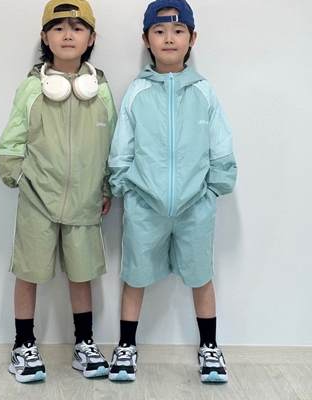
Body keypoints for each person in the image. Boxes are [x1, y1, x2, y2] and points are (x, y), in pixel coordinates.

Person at [108, 0, 237, 383]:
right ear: (146, 39)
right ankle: (126, 346)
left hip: (195, 207)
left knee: (201, 275)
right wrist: (125, 187)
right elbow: (122, 147)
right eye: (160, 31)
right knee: (135, 275)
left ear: (191, 38)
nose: (169, 38)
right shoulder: (136, 92)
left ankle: (209, 347)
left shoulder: (203, 92)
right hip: (144, 206)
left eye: (178, 31)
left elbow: (220, 144)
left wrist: (213, 188)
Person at [0, 0, 117, 383]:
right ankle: (23, 345)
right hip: (37, 202)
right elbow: (9, 144)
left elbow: (112, 144)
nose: (68, 35)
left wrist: (105, 186)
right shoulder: (32, 89)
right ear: (44, 37)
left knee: (82, 273)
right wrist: (22, 179)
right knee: (28, 272)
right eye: (58, 27)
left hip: (84, 201)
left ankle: (85, 343)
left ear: (91, 38)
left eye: (77, 28)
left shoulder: (100, 91)